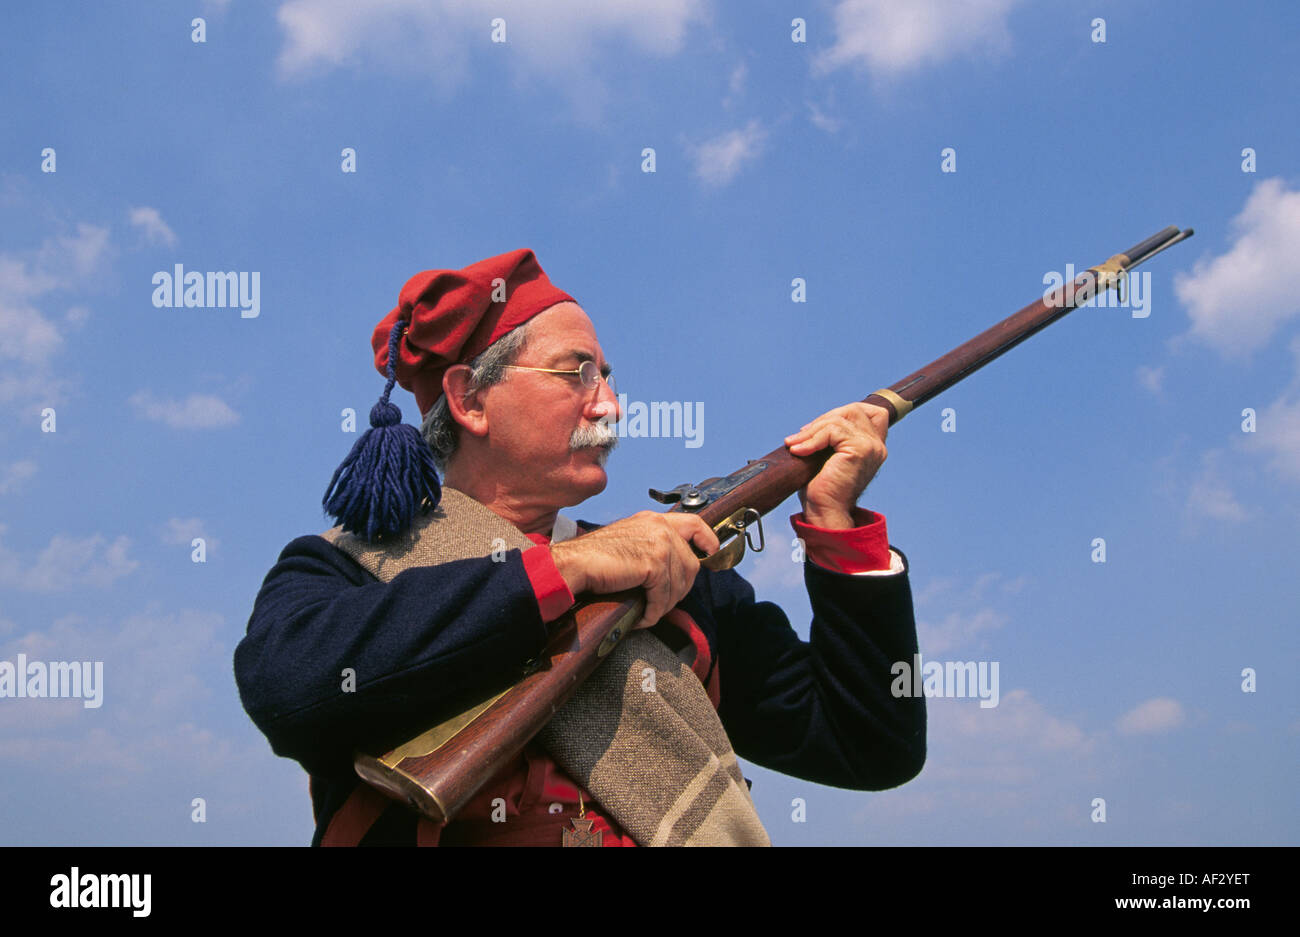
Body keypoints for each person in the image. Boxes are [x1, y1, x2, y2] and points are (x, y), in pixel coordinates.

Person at [234, 249, 925, 846]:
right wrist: (563, 571)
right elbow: (288, 687)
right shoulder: (347, 564)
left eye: (608, 376)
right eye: (577, 374)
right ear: (470, 398)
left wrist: (837, 525)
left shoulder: (682, 581)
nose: (611, 405)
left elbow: (871, 745)